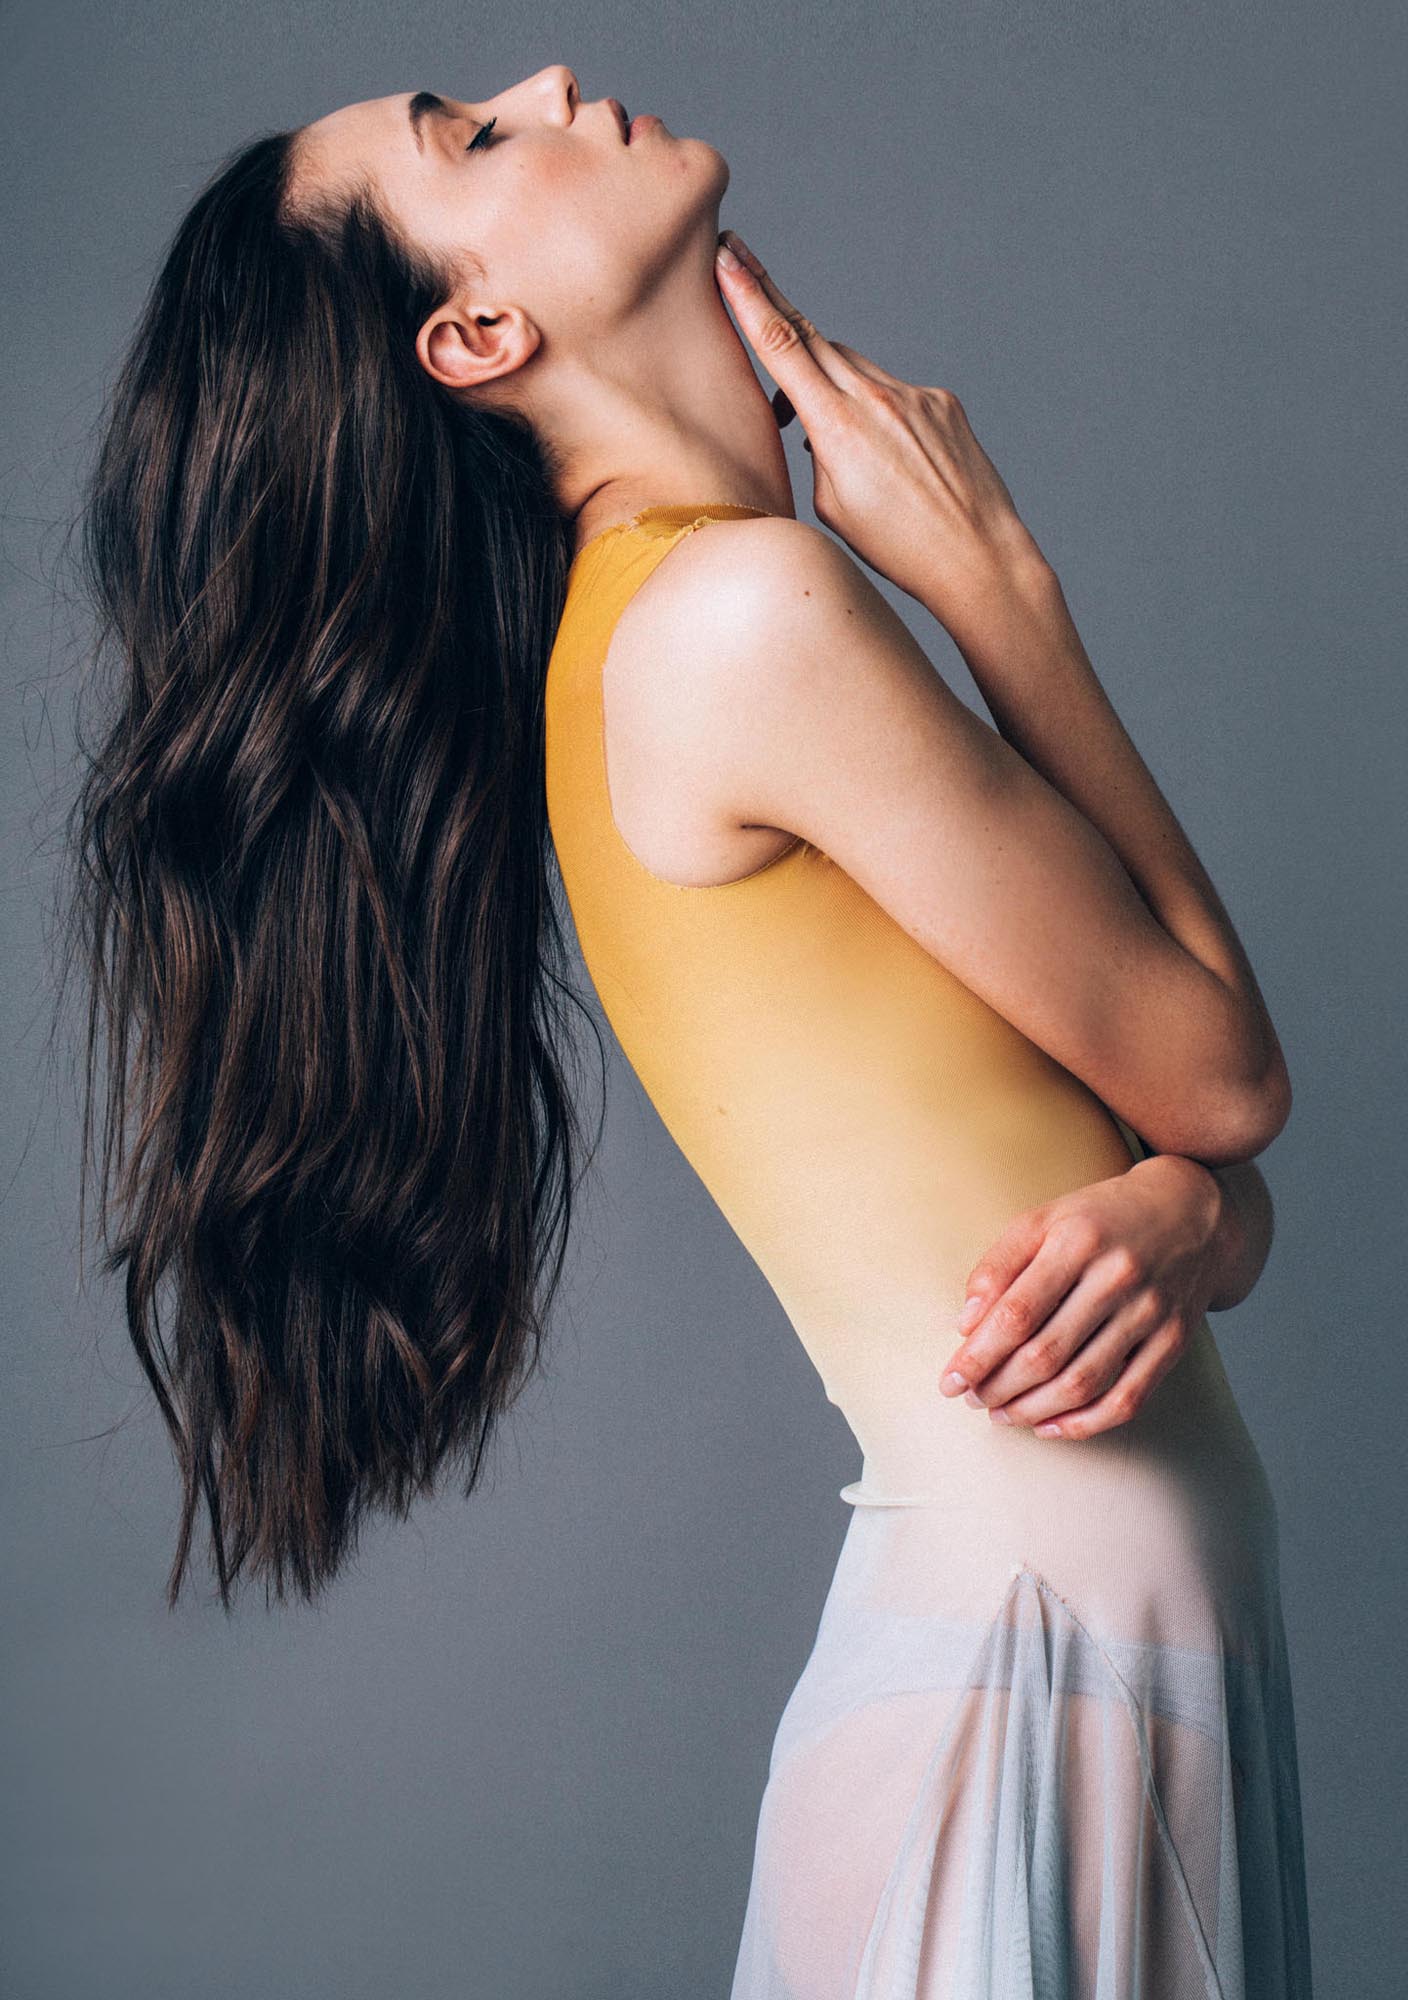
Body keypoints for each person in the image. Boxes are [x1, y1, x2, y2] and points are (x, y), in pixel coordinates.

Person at [61, 62, 1311, 1997]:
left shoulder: (669, 628)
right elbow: (1222, 1073)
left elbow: (1167, 1153)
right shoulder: (739, 621)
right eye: (472, 136)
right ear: (476, 333)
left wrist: (1196, 1217)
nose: (550, 81)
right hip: (1022, 1682)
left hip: (1062, 1664)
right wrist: (998, 588)